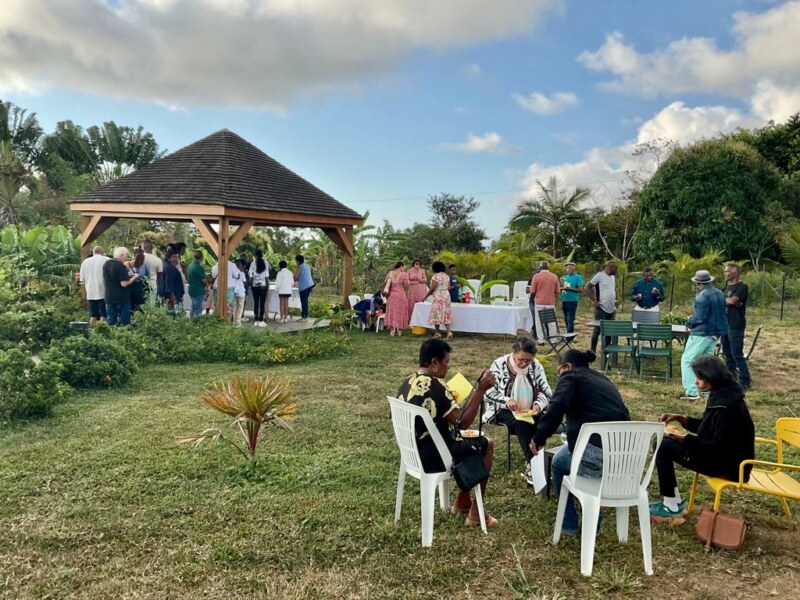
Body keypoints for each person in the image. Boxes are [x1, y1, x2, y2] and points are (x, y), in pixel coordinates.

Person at [397, 338, 498, 527]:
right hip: (434, 457)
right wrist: (480, 390)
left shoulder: (407, 382)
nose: (448, 367)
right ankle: (476, 513)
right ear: (434, 363)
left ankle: (462, 502)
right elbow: (462, 423)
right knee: (486, 444)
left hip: (413, 453)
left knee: (466, 443)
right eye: (446, 362)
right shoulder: (436, 385)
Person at [530, 349, 631, 536]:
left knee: (558, 465)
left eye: (559, 371)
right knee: (562, 457)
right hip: (625, 455)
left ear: (567, 366)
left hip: (594, 452)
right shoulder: (603, 379)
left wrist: (539, 437)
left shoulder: (570, 377)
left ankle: (571, 524)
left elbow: (557, 406)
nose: (559, 376)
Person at [650, 356, 755, 523]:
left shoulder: (727, 408)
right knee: (661, 442)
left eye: (699, 378)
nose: (696, 381)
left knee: (662, 446)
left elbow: (718, 447)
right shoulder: (723, 395)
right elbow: (707, 428)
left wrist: (685, 439)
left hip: (729, 467)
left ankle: (671, 508)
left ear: (712, 377)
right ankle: (674, 501)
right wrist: (682, 419)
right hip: (722, 458)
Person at [484, 336, 552, 484]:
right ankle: (533, 464)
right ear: (513, 353)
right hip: (501, 410)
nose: (524, 363)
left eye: (528, 360)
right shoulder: (499, 364)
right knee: (521, 423)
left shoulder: (535, 365)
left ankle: (538, 459)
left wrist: (538, 405)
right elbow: (488, 392)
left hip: (529, 409)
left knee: (542, 420)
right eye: (521, 359)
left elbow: (546, 391)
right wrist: (507, 400)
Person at [681, 270, 728, 400]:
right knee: (706, 363)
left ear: (697, 283)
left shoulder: (702, 296)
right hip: (715, 332)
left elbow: (700, 317)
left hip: (702, 332)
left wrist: (689, 321)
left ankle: (692, 391)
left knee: (687, 360)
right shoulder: (720, 294)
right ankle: (707, 390)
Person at [721, 263, 751, 389]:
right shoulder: (726, 288)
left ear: (735, 273)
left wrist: (729, 301)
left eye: (727, 271)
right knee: (727, 353)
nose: (725, 273)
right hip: (724, 324)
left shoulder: (742, 287)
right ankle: (730, 378)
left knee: (736, 354)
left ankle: (745, 380)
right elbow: (725, 301)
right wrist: (728, 301)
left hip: (735, 324)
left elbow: (733, 301)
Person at [585, 261, 618, 367]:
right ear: (609, 268)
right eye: (615, 269)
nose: (616, 271)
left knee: (609, 331)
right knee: (597, 330)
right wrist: (594, 300)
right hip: (601, 308)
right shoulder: (599, 276)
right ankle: (592, 351)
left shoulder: (612, 277)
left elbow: (611, 290)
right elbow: (587, 287)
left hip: (611, 309)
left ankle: (606, 351)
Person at [103, 247, 139, 326]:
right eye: (126, 256)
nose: (126, 259)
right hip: (121, 298)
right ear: (122, 255)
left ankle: (111, 333)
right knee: (124, 322)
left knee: (111, 321)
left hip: (109, 297)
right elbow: (124, 284)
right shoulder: (121, 266)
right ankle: (123, 333)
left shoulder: (106, 264)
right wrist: (134, 277)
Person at [530, 260, 560, 344]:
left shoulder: (536, 276)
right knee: (551, 322)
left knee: (539, 322)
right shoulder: (554, 276)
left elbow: (532, 290)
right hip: (550, 302)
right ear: (548, 267)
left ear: (540, 267)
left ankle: (541, 340)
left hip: (539, 302)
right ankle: (553, 340)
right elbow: (557, 290)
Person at [79, 246, 110, 326]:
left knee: (93, 315)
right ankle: (101, 330)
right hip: (104, 291)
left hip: (91, 292)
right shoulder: (107, 260)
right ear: (102, 252)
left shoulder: (85, 262)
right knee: (104, 314)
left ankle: (92, 331)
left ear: (93, 252)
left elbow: (82, 280)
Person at [425, 261, 453, 339]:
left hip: (438, 295)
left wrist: (426, 296)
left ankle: (437, 332)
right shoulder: (446, 276)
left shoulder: (436, 276)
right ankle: (449, 332)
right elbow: (448, 286)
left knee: (436, 312)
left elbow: (433, 288)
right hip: (446, 294)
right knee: (446, 312)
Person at [383, 261, 409, 336]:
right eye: (404, 267)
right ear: (401, 266)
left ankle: (392, 330)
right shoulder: (404, 274)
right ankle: (399, 330)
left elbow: (385, 283)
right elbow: (406, 285)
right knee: (400, 311)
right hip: (400, 295)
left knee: (392, 311)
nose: (404, 268)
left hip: (391, 295)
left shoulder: (390, 273)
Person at [560, 261, 583, 334]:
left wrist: (569, 289)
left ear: (574, 268)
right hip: (564, 300)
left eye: (570, 267)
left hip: (572, 300)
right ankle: (568, 333)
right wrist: (561, 287)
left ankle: (570, 336)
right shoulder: (564, 277)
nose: (568, 269)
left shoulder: (578, 277)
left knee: (570, 319)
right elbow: (561, 288)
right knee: (565, 318)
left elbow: (580, 290)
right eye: (567, 268)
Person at [249, 250, 269, 327]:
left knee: (256, 303)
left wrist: (252, 287)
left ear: (255, 256)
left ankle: (256, 320)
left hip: (255, 286)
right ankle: (261, 320)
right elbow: (267, 279)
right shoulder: (265, 264)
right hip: (263, 287)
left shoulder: (253, 264)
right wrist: (267, 288)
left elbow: (251, 277)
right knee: (262, 304)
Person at [126, 247, 149, 313]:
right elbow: (147, 276)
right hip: (140, 287)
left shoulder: (127, 264)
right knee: (140, 307)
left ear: (133, 255)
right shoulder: (144, 265)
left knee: (131, 307)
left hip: (130, 287)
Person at [140, 241, 163, 306]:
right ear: (152, 248)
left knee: (139, 306)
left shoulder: (138, 258)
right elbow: (160, 273)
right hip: (152, 285)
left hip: (140, 286)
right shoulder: (158, 260)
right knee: (151, 306)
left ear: (144, 248)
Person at [294, 255, 315, 322]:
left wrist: (293, 277)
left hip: (304, 286)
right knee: (305, 301)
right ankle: (304, 316)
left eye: (296, 261)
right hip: (309, 285)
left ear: (298, 261)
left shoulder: (299, 267)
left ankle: (304, 317)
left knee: (304, 302)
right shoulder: (307, 266)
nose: (295, 262)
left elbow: (296, 277)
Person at [187, 251, 207, 318]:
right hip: (198, 290)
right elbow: (204, 280)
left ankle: (191, 321)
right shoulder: (199, 267)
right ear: (201, 258)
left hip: (191, 289)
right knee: (198, 309)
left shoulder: (190, 266)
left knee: (193, 307)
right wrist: (207, 284)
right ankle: (196, 322)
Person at [232, 259, 247, 326]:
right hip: (241, 292)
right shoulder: (242, 273)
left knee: (234, 307)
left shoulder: (232, 273)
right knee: (240, 307)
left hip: (234, 291)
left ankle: (234, 321)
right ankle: (238, 322)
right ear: (240, 266)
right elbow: (244, 281)